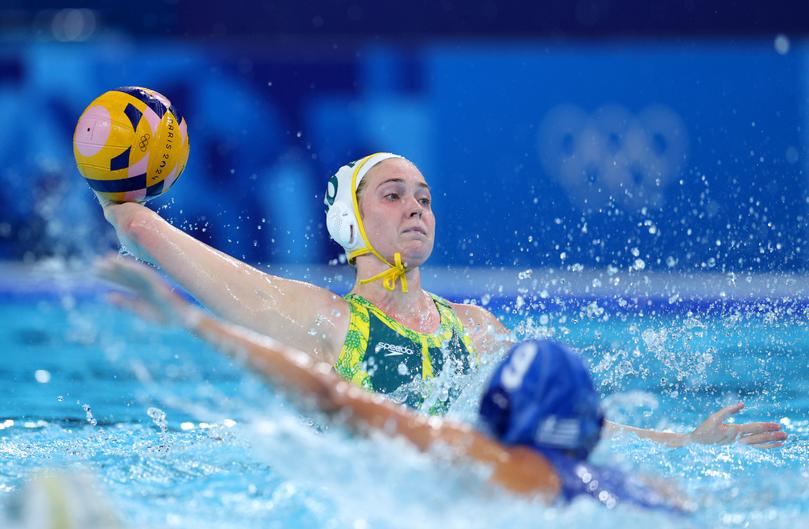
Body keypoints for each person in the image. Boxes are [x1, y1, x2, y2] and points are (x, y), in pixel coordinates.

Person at [96, 152, 786, 447]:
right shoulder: (327, 323)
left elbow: (562, 428)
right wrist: (126, 210)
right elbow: (199, 267)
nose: (415, 207)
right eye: (392, 195)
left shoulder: (478, 329)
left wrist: (683, 442)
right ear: (352, 223)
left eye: (424, 198)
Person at [95, 255, 692, 512]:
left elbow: (332, 398)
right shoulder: (646, 491)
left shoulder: (492, 462)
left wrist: (189, 318)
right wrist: (690, 444)